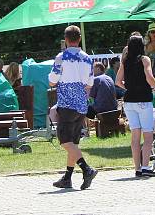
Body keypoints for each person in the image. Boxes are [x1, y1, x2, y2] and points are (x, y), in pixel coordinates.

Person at [49, 25, 97, 190]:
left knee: (65, 142)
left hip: (67, 104)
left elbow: (52, 80)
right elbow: (90, 83)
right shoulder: (87, 58)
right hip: (82, 106)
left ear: (66, 40)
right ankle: (67, 178)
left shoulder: (61, 57)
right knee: (73, 143)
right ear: (79, 39)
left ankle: (86, 169)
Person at [116, 35, 155, 177]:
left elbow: (117, 81)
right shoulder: (144, 59)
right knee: (147, 136)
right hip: (143, 100)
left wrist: (128, 87)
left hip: (129, 101)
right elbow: (149, 76)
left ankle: (137, 168)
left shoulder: (125, 61)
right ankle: (146, 166)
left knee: (135, 136)